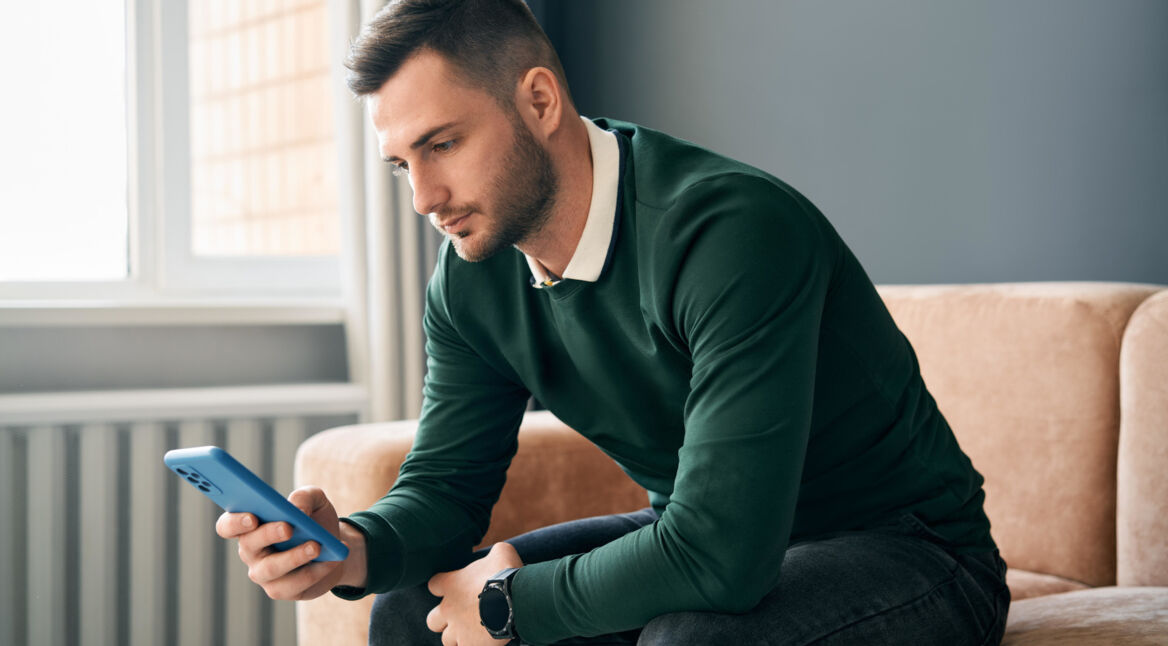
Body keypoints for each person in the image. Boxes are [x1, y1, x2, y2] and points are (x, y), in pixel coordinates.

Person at [216, 1, 1011, 644]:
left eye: (444, 145)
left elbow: (721, 557)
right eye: (403, 164)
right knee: (407, 617)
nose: (424, 197)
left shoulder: (731, 231)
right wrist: (349, 548)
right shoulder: (471, 280)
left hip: (907, 550)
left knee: (692, 638)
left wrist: (509, 605)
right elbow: (446, 490)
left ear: (538, 100)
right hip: (698, 529)